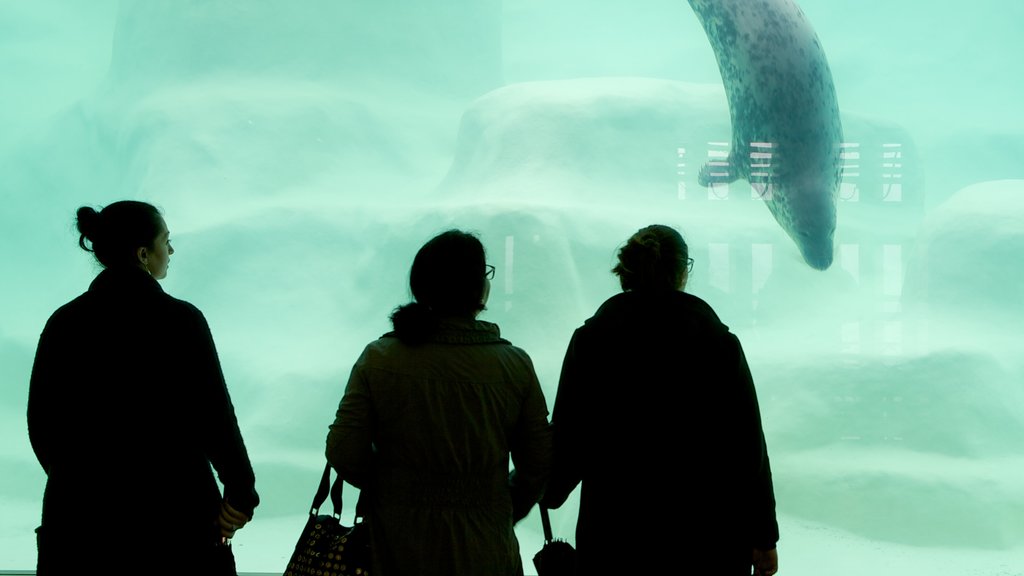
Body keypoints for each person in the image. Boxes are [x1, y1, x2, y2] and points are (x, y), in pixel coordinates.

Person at [27, 201, 259, 574]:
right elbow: (215, 417)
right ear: (143, 254)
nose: (171, 250)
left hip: (78, 530)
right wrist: (241, 492)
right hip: (176, 524)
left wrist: (79, 481)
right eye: (165, 241)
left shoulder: (64, 322)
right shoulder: (182, 320)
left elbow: (40, 424)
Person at [541, 224, 779, 575]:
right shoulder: (718, 342)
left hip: (616, 536)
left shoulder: (592, 341)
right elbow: (747, 448)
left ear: (628, 272)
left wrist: (546, 491)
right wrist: (764, 536)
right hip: (708, 539)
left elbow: (570, 437)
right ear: (683, 272)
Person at [326, 229, 552, 576]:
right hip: (487, 545)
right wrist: (500, 505)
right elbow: (538, 463)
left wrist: (389, 489)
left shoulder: (380, 358)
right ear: (479, 287)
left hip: (397, 544)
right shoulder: (514, 365)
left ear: (421, 286)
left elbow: (343, 448)